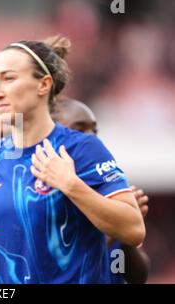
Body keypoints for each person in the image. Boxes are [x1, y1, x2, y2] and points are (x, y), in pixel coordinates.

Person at [0, 36, 145, 283]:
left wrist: (71, 184)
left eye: (8, 78)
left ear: (43, 84)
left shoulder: (81, 148)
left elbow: (133, 230)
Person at [50, 97, 150, 283]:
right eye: (79, 130)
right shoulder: (37, 199)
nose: (91, 138)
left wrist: (123, 231)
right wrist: (110, 232)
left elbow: (137, 276)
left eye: (94, 130)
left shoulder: (109, 190)